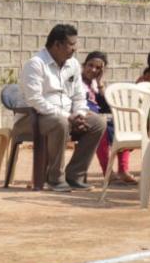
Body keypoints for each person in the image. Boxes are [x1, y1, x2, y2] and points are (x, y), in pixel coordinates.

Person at [15, 23, 107, 191]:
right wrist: (67, 116)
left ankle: (74, 175)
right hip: (34, 119)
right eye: (71, 44)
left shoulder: (72, 64)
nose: (75, 49)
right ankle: (54, 178)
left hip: (65, 116)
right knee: (60, 122)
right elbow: (35, 100)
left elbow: (79, 95)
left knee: (98, 122)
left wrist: (79, 113)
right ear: (57, 45)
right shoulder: (35, 64)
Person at [81, 51, 136, 185]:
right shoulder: (76, 81)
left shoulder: (94, 84)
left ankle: (123, 170)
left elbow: (106, 107)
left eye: (98, 68)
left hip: (95, 117)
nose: (93, 70)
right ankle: (108, 172)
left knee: (120, 126)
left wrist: (100, 83)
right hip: (82, 117)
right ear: (84, 65)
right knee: (102, 128)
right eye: (90, 65)